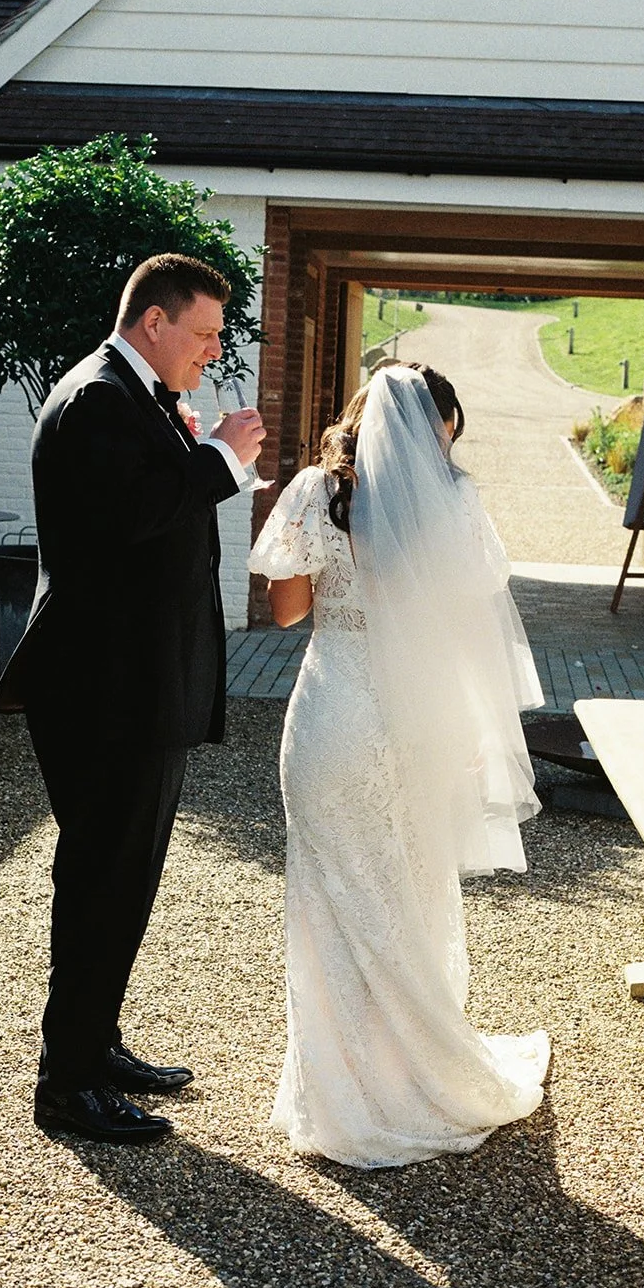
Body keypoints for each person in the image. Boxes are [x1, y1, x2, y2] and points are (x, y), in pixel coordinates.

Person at [0, 252, 264, 1144]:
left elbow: (150, 514)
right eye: (206, 332)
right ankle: (66, 1086)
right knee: (104, 880)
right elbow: (130, 522)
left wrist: (198, 449)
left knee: (124, 879)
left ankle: (95, 1044)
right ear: (156, 322)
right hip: (105, 689)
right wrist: (220, 454)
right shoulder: (99, 396)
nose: (213, 351)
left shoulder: (130, 393)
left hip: (136, 682)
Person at [248, 362, 549, 1168]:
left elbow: (287, 612)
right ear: (435, 428)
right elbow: (464, 618)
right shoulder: (454, 499)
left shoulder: (316, 489)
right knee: (408, 889)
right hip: (417, 718)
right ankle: (416, 1070)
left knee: (329, 894)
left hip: (335, 711)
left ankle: (342, 1089)